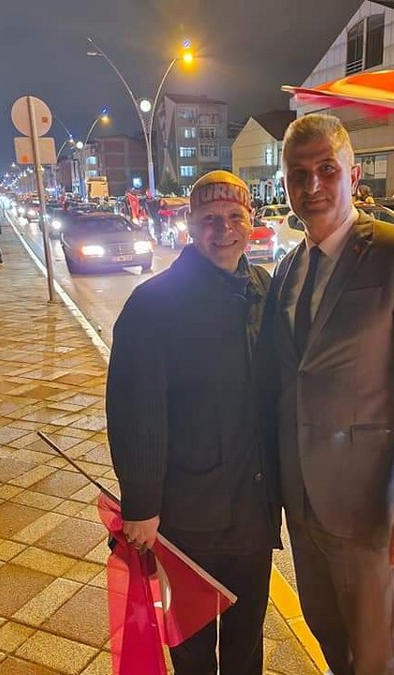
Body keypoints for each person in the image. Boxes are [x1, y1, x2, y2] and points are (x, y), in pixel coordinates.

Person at [265, 114, 394, 674]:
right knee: (324, 627)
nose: (312, 185)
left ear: (353, 175)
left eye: (327, 169)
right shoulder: (289, 268)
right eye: (298, 174)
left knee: (375, 652)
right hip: (301, 498)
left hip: (368, 502)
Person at [106, 170, 280, 674]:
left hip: (253, 510)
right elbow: (134, 409)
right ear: (189, 223)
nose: (222, 230)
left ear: (251, 221)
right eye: (209, 219)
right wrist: (141, 505)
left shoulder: (263, 289)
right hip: (188, 515)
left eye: (234, 217)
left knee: (247, 638)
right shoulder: (154, 304)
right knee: (192, 644)